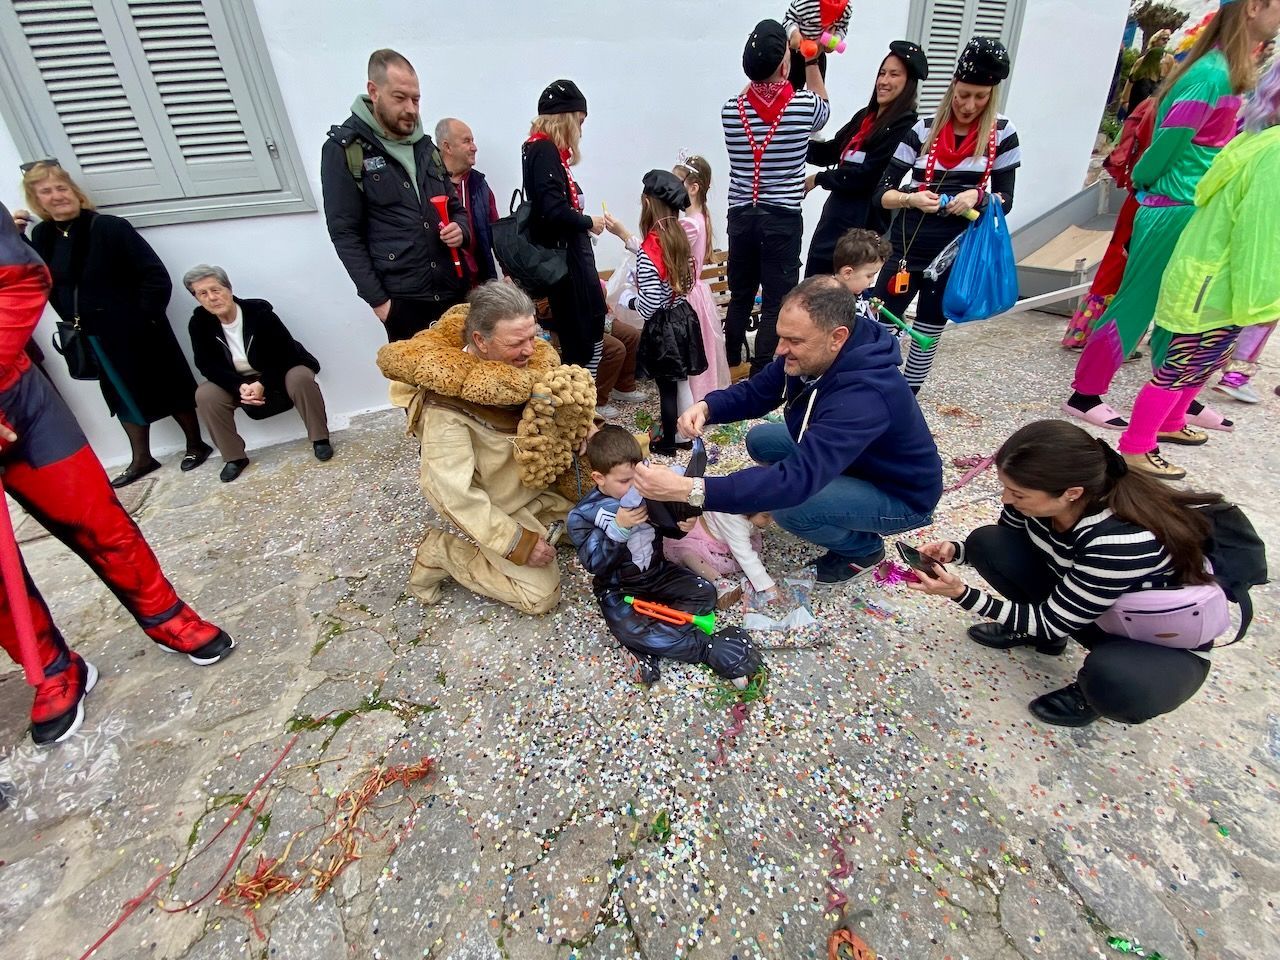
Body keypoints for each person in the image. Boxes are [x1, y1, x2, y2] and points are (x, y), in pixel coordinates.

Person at [0, 201, 234, 746]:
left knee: (97, 519)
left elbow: (20, 278)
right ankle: (51, 668)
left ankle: (165, 616)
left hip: (18, 399)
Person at [907, 420, 1226, 728]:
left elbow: (1052, 620)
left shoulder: (1118, 541)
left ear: (1071, 493)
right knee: (987, 542)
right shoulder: (1035, 501)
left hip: (1152, 638)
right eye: (1006, 488)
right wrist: (955, 551)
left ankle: (1093, 696)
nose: (1006, 499)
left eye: (1018, 494)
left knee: (1118, 680)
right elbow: (1007, 545)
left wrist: (961, 594)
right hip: (1087, 604)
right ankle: (1041, 640)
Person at [633, 278, 942, 585]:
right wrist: (707, 407)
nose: (781, 349)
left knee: (790, 506)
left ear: (837, 337)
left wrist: (690, 490)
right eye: (781, 336)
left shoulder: (866, 395)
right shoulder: (817, 352)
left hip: (898, 493)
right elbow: (758, 392)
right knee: (761, 440)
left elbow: (795, 479)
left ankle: (863, 550)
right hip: (856, 460)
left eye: (793, 341)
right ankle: (834, 499)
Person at [1063, 0, 1280, 430]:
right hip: (1172, 207)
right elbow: (1166, 145)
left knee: (1182, 310)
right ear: (1253, 8)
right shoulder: (1211, 74)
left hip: (1194, 208)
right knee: (1137, 302)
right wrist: (1145, 183)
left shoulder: (1227, 72)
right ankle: (1085, 393)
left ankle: (1173, 394)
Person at [1115, 63, 1280, 480]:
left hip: (1212, 273)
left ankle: (1171, 422)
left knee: (1206, 358)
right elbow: (1258, 233)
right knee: (1182, 364)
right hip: (1221, 279)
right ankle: (1136, 446)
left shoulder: (1255, 138)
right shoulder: (1274, 153)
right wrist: (1261, 299)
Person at [382, 281, 577, 615]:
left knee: (602, 523)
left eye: (533, 338)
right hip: (500, 508)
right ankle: (441, 552)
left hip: (538, 491)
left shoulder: (527, 367)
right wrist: (515, 542)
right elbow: (452, 493)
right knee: (540, 597)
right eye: (516, 343)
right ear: (480, 341)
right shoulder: (444, 407)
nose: (530, 351)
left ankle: (545, 521)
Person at [15, 162, 212, 487]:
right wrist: (17, 237)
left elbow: (154, 275)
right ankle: (142, 457)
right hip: (93, 335)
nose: (57, 196)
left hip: (139, 329)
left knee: (167, 385)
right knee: (119, 394)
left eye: (62, 188)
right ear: (37, 200)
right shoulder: (43, 235)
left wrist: (145, 318)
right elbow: (43, 278)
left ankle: (196, 444)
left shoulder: (109, 227)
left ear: (74, 191)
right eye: (46, 191)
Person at [871, 36, 1020, 394]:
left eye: (980, 97)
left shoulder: (1003, 133)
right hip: (907, 247)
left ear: (992, 94)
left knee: (928, 329)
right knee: (879, 326)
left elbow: (1006, 199)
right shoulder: (923, 129)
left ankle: (907, 399)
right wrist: (910, 198)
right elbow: (881, 194)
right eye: (963, 94)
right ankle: (872, 391)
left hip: (955, 253)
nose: (969, 105)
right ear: (953, 85)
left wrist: (978, 196)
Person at [568, 426, 763, 686]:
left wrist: (682, 524)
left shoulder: (647, 491)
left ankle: (651, 641)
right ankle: (702, 648)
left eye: (637, 477)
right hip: (619, 588)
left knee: (704, 593)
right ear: (599, 478)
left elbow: (666, 527)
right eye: (625, 481)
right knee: (629, 627)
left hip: (657, 573)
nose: (634, 487)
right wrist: (618, 528)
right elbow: (594, 563)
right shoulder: (583, 515)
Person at [322, 49, 469, 342]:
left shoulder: (426, 147)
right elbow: (344, 233)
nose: (411, 109)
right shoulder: (345, 149)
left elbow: (456, 209)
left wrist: (460, 230)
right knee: (414, 375)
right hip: (404, 302)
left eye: (416, 99)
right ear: (373, 92)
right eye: (400, 98)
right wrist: (381, 303)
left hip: (452, 292)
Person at [722, 19, 831, 379]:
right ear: (785, 65)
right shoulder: (803, 106)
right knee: (775, 300)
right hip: (781, 216)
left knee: (740, 293)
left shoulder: (730, 111)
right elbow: (824, 106)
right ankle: (761, 372)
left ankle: (729, 360)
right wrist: (810, 58)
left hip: (741, 215)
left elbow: (748, 94)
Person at [184, 265, 331, 483]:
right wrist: (238, 386)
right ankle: (234, 457)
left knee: (300, 378)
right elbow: (206, 365)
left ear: (228, 289)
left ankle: (320, 439)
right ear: (196, 298)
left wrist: (263, 383)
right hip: (240, 381)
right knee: (206, 394)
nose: (212, 298)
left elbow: (286, 353)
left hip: (279, 370)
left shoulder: (259, 313)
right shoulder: (199, 323)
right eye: (202, 293)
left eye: (216, 290)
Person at [804, 40, 928, 277]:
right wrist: (795, 142)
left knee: (841, 291)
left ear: (909, 83)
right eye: (882, 73)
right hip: (834, 219)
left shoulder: (905, 126)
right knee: (814, 283)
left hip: (862, 228)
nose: (884, 81)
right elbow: (831, 151)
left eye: (894, 75)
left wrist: (819, 179)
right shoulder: (865, 116)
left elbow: (866, 176)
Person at [604, 171, 706, 455]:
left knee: (667, 388)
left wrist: (626, 298)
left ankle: (670, 441)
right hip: (682, 316)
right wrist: (624, 235)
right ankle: (687, 435)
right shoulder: (678, 237)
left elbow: (648, 305)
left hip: (663, 327)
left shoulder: (651, 249)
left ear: (647, 204)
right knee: (682, 381)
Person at [522, 80, 607, 376]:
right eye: (579, 122)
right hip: (568, 266)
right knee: (583, 341)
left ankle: (587, 396)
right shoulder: (544, 150)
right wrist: (588, 221)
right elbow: (553, 210)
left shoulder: (539, 150)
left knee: (588, 336)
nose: (580, 131)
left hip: (568, 262)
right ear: (566, 118)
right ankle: (585, 398)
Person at [673, 152, 730, 404]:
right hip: (697, 293)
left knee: (692, 352)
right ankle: (703, 400)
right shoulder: (700, 218)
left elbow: (663, 255)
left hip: (687, 294)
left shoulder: (689, 225)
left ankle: (695, 403)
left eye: (676, 182)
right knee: (701, 347)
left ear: (693, 188)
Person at [434, 117, 500, 285]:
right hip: (441, 287)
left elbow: (497, 234)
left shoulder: (480, 185)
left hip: (479, 286)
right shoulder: (428, 185)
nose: (474, 147)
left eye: (473, 141)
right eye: (466, 141)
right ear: (447, 147)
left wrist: (509, 273)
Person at [663, 509, 777, 604]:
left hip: (722, 536)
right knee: (686, 552)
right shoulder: (733, 520)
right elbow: (746, 557)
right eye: (766, 516)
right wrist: (768, 586)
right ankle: (718, 581)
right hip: (695, 535)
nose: (771, 521)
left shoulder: (743, 515)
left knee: (745, 546)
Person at [782, 0, 853, 90]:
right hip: (796, 54)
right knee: (791, 90)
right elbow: (789, 18)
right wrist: (794, 33)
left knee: (818, 93)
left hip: (818, 54)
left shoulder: (845, 7)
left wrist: (834, 40)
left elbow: (842, 27)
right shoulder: (805, 3)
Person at [832, 228, 891, 300]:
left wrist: (870, 307)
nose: (872, 281)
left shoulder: (855, 291)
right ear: (847, 273)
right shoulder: (832, 301)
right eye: (869, 276)